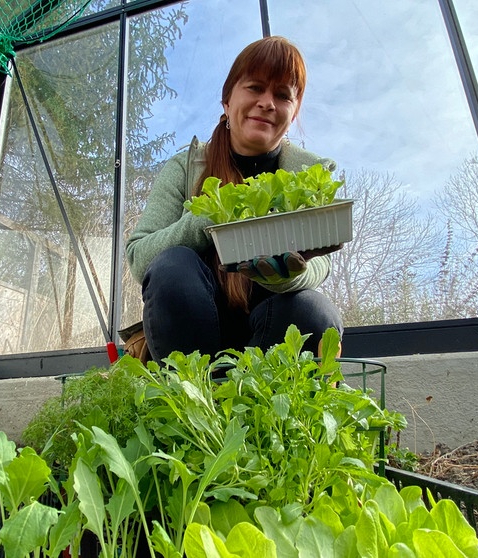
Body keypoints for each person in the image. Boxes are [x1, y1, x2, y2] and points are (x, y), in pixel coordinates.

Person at [125, 35, 343, 362]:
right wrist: (212, 217)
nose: (267, 102)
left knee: (314, 312)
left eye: (283, 95)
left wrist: (289, 274)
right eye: (255, 87)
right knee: (173, 265)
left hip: (271, 331)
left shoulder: (309, 175)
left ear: (294, 112)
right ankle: (196, 398)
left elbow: (321, 263)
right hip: (193, 335)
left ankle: (257, 405)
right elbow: (140, 256)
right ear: (227, 102)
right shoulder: (186, 167)